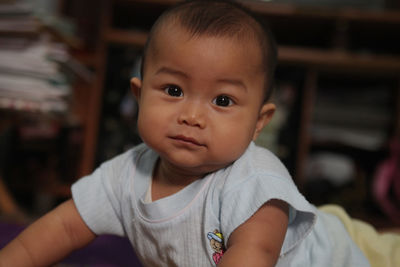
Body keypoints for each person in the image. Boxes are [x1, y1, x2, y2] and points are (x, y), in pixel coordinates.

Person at [0, 1, 370, 266]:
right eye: (174, 91)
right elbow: (63, 227)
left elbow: (253, 255)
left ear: (259, 121)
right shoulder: (125, 174)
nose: (192, 116)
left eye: (222, 100)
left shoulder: (255, 182)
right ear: (139, 95)